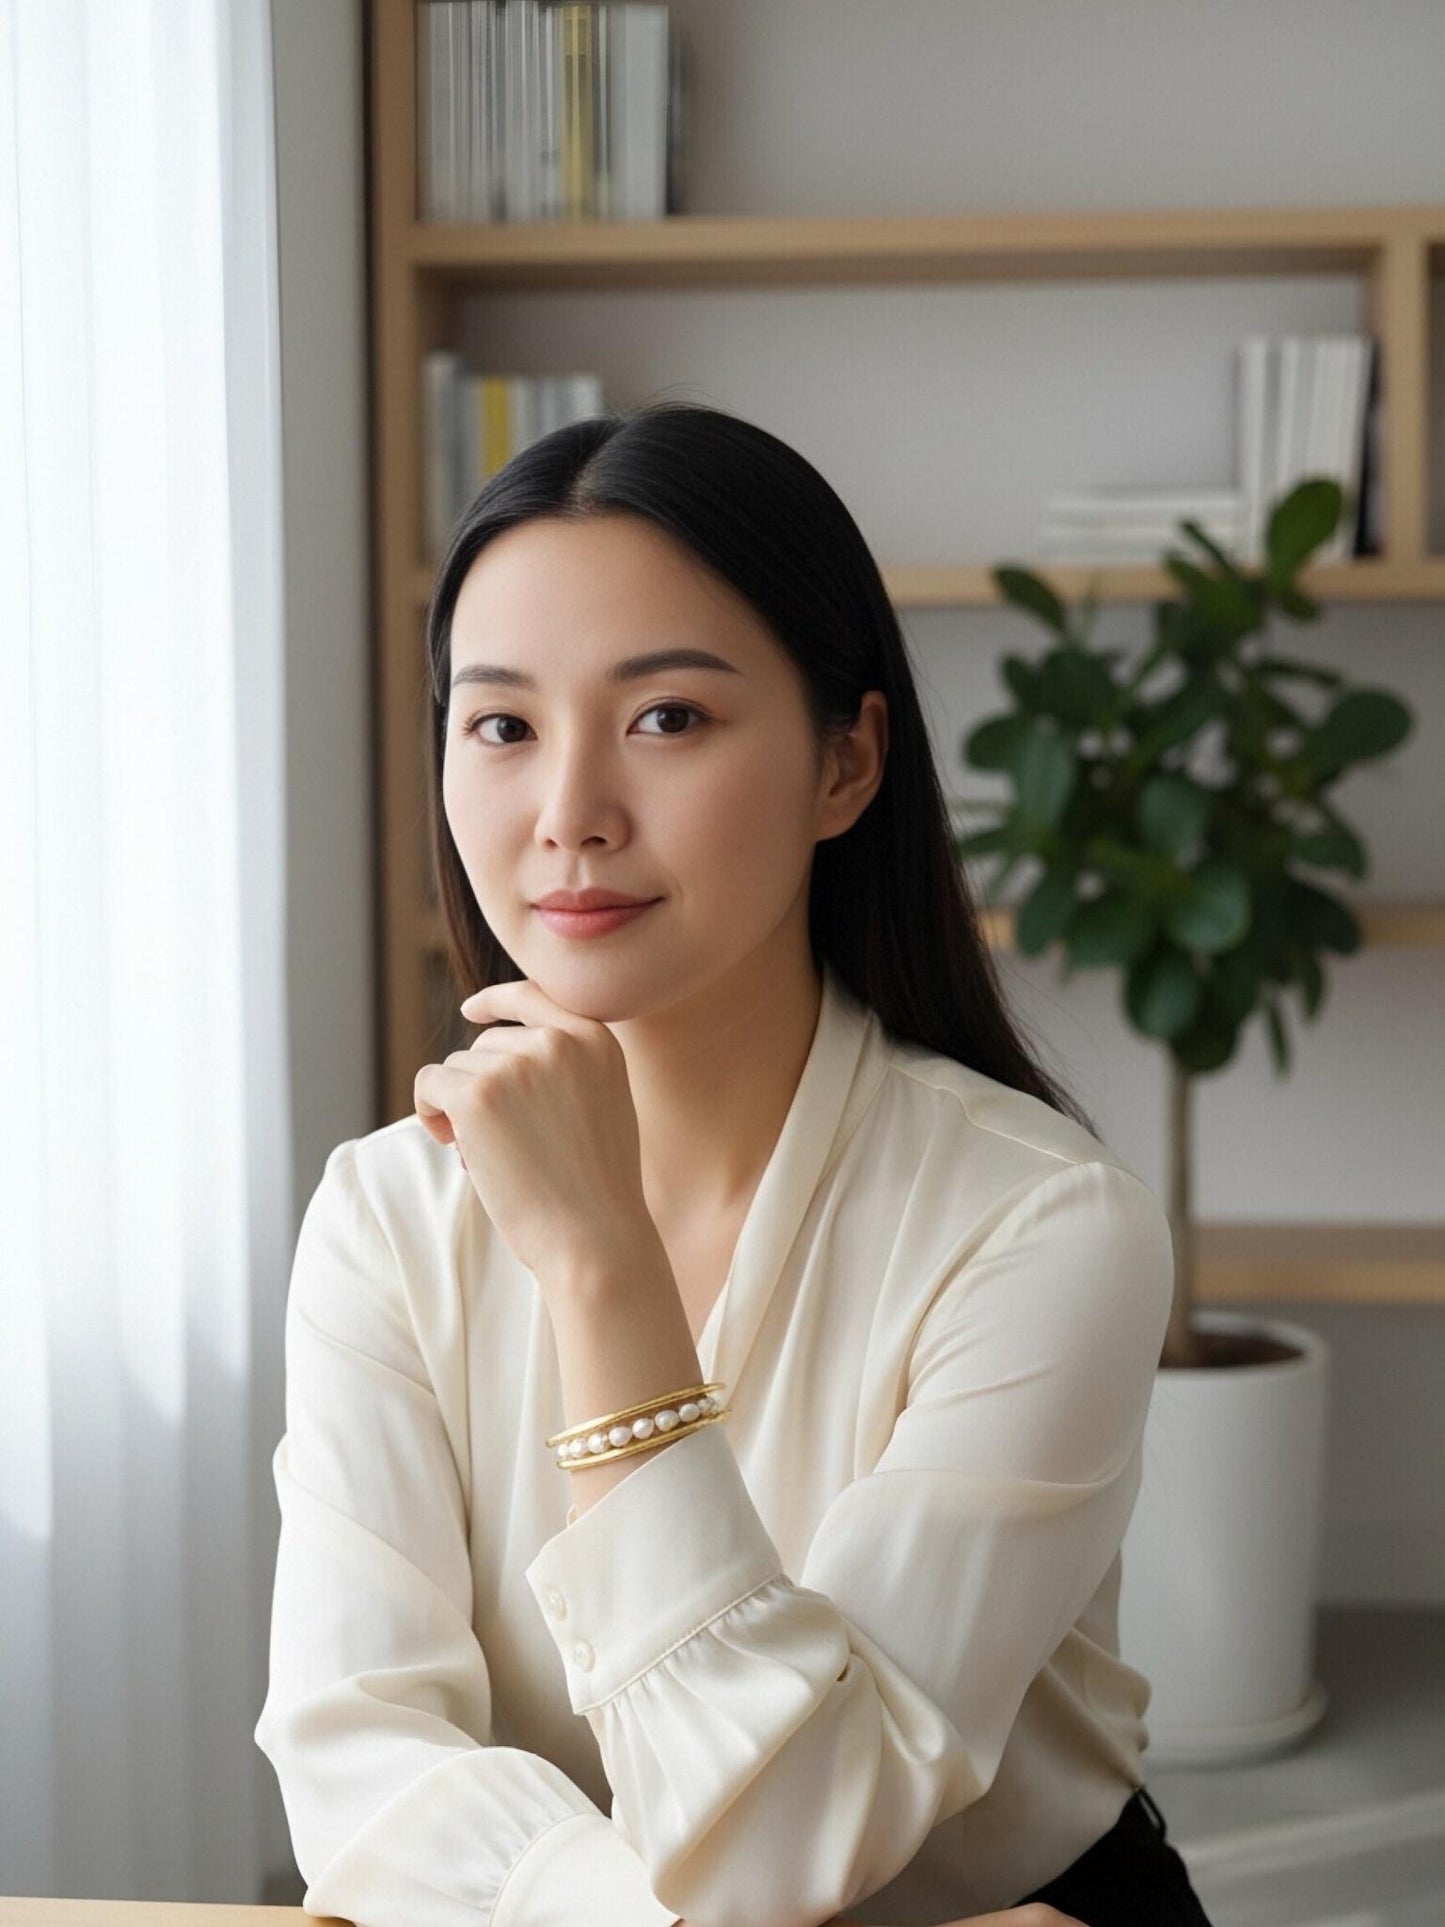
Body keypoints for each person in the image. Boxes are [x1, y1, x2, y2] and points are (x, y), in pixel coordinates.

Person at [254, 402, 1213, 1926]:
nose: (567, 816)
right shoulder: (383, 1214)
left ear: (846, 765)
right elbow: (355, 1752)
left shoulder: (1043, 1226)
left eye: (667, 719)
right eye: (501, 724)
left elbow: (785, 1842)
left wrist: (597, 1261)